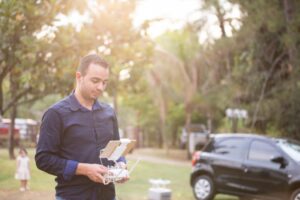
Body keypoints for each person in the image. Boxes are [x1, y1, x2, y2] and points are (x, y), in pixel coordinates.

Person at [35, 54, 128, 200]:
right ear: (79, 77)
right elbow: (43, 159)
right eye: (95, 81)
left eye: (105, 82)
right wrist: (84, 169)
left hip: (108, 196)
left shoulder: (109, 112)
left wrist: (121, 164)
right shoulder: (56, 113)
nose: (100, 87)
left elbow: (115, 150)